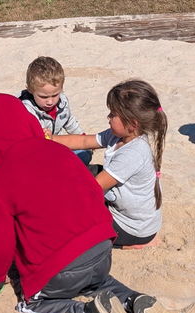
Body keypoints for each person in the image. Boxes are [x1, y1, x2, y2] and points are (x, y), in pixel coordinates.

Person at [0, 93, 188, 313]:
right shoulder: (58, 152)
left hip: (60, 270)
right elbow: (90, 193)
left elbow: (0, 240)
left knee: (32, 303)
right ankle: (134, 300)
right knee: (98, 282)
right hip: (101, 249)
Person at [51, 80, 166, 249]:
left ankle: (133, 244)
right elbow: (84, 141)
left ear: (132, 124)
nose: (108, 117)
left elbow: (92, 188)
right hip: (122, 208)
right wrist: (49, 139)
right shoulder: (120, 135)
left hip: (132, 228)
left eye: (113, 114)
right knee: (82, 172)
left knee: (73, 223)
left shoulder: (134, 153)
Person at [18, 56, 84, 138]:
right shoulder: (26, 110)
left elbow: (69, 121)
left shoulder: (62, 102)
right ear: (30, 90)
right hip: (37, 144)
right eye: (43, 97)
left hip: (55, 141)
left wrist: (81, 136)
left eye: (55, 95)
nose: (50, 102)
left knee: (84, 150)